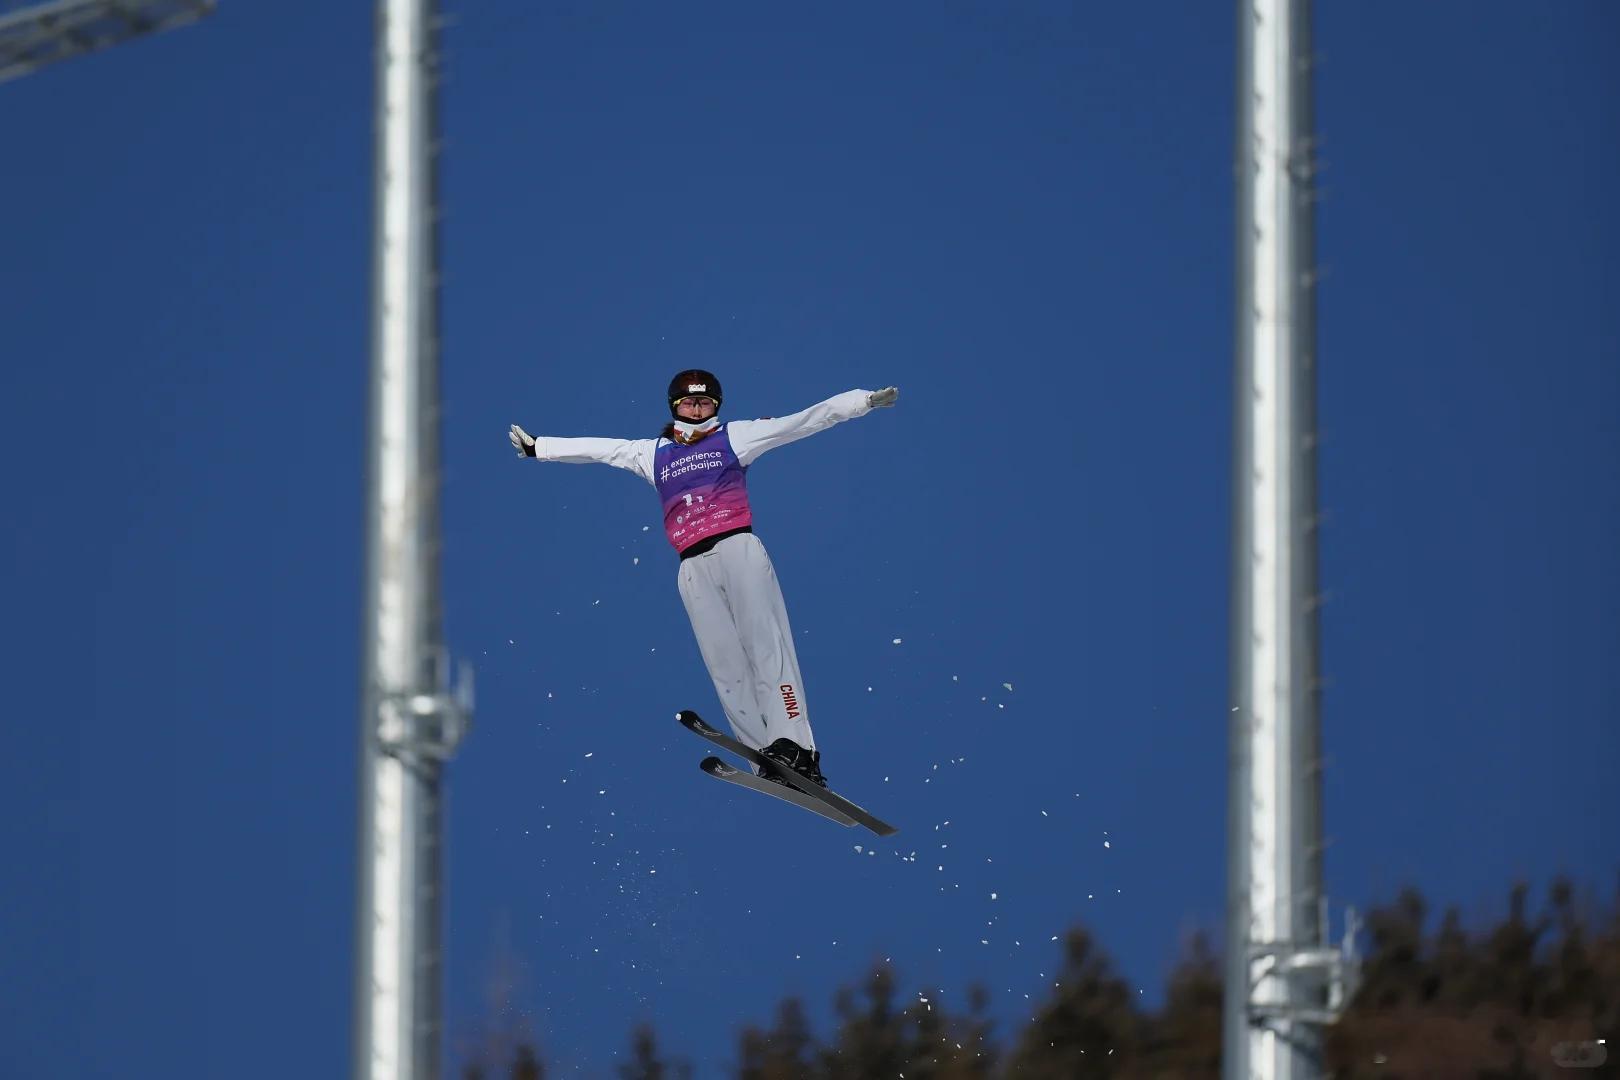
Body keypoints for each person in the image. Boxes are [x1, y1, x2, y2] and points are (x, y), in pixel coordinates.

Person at [509, 370, 899, 788]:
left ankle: (797, 747)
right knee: (725, 665)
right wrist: (540, 447)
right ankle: (767, 758)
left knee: (766, 646)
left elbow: (802, 421)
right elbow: (602, 449)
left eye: (705, 403)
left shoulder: (736, 436)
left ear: (717, 405)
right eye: (690, 403)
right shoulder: (652, 453)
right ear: (675, 407)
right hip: (691, 566)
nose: (697, 410)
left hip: (737, 549)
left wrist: (861, 401)